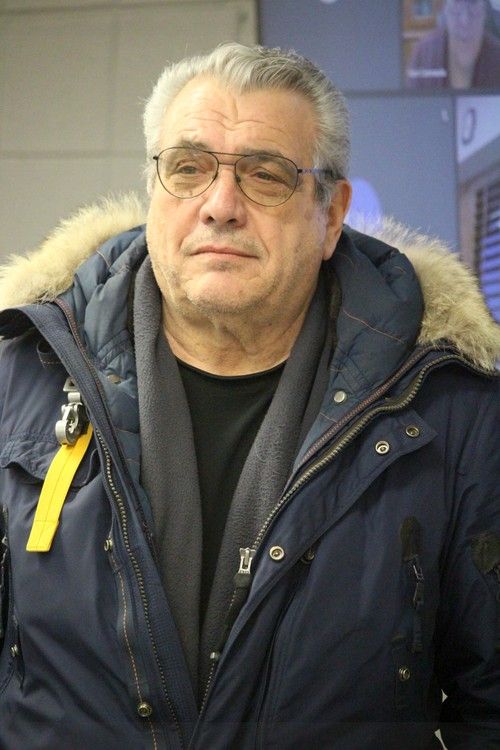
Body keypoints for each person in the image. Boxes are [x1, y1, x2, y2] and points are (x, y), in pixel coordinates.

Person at [0, 43, 499, 750]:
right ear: (154, 191)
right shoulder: (20, 378)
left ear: (331, 216)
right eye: (188, 168)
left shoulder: (449, 413)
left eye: (266, 175)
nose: (220, 206)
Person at [406, 0, 500, 89]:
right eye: (456, 2)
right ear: (445, 8)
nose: (465, 20)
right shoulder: (424, 53)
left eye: (473, 2)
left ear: (485, 11)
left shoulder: (497, 54)